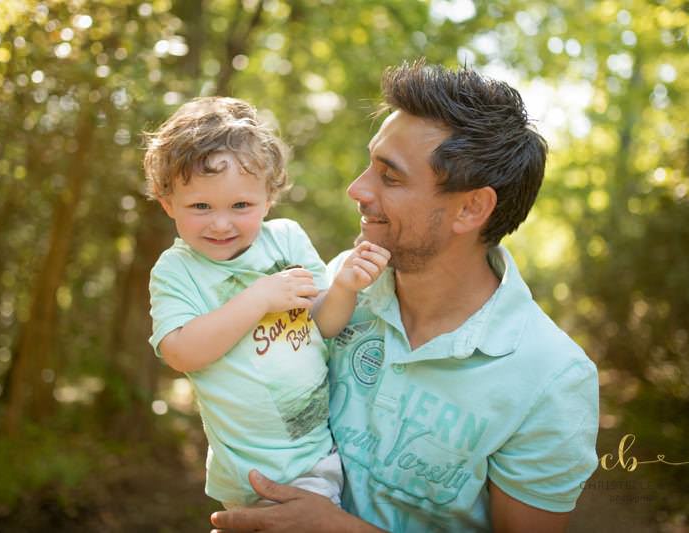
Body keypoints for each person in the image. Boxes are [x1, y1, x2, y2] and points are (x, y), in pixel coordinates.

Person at [210, 61, 599, 532]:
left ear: (471, 207)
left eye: (389, 177)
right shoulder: (337, 283)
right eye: (369, 165)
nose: (357, 189)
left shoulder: (551, 378)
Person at [144, 96, 390, 509]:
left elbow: (323, 324)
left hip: (315, 454)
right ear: (168, 203)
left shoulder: (287, 239)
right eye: (200, 206)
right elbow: (181, 352)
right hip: (252, 470)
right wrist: (258, 297)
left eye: (241, 205)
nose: (221, 223)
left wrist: (345, 287)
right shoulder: (177, 270)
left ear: (268, 198)